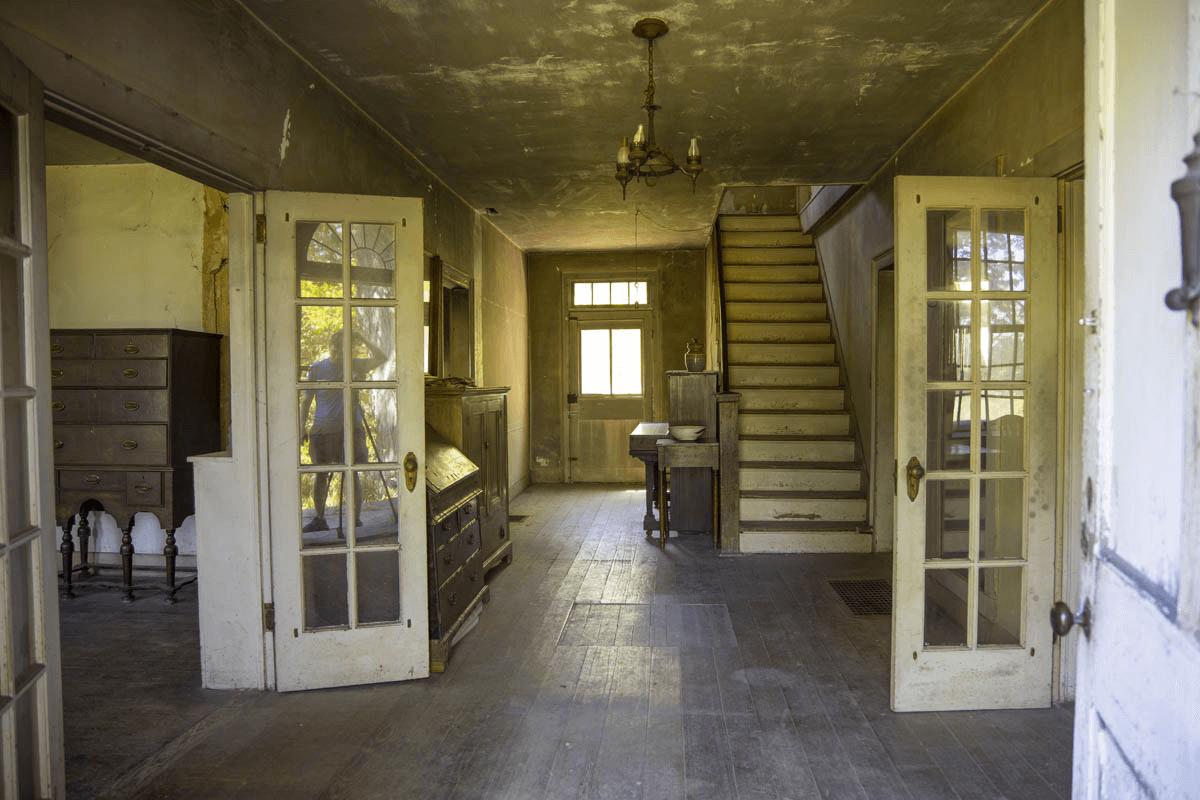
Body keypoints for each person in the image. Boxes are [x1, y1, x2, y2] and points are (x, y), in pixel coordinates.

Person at [300, 328, 387, 534]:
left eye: (342, 351)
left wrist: (362, 338)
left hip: (352, 429)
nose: (338, 356)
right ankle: (320, 518)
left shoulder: (355, 364)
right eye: (335, 351)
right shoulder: (317, 368)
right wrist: (301, 426)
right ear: (329, 348)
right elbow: (306, 401)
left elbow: (382, 357)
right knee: (321, 474)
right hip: (322, 430)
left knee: (353, 473)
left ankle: (355, 519)